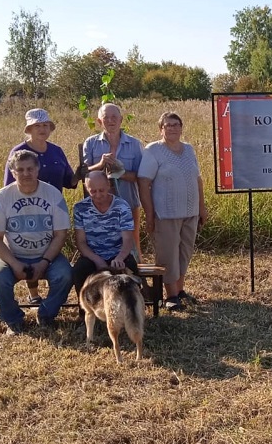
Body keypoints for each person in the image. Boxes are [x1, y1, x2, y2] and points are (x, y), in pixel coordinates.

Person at [4, 108, 86, 305]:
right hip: (26, 208)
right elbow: (8, 186)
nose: (42, 129)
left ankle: (52, 298)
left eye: (45, 125)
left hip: (53, 208)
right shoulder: (19, 152)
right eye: (37, 126)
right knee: (30, 246)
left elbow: (69, 181)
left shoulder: (56, 151)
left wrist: (79, 173)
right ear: (29, 129)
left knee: (51, 247)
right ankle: (33, 294)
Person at [0, 150, 73, 334]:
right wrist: (14, 264)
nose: (26, 174)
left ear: (38, 169)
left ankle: (46, 314)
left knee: (65, 275)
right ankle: (13, 320)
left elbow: (60, 234)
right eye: (20, 169)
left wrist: (45, 262)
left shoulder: (53, 194)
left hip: (48, 254)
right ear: (13, 172)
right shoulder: (1, 198)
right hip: (13, 255)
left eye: (30, 169)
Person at [137, 111, 208, 310]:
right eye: (167, 125)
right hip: (165, 214)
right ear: (161, 129)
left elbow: (198, 180)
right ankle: (170, 296)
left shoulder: (189, 149)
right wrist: (149, 214)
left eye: (176, 124)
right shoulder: (153, 150)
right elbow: (144, 183)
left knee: (184, 252)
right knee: (168, 255)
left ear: (181, 127)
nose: (172, 128)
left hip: (190, 212)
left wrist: (202, 207)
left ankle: (180, 289)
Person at [82, 103, 143, 258]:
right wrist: (101, 165)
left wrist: (120, 173)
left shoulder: (135, 144)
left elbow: (141, 176)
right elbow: (84, 173)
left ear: (121, 119)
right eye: (106, 117)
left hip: (129, 201)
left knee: (133, 240)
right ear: (99, 121)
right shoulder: (90, 143)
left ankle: (137, 277)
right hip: (99, 204)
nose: (110, 120)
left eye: (114, 117)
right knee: (100, 241)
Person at [72, 170, 138, 298]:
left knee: (130, 268)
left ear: (108, 185)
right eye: (93, 191)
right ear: (87, 189)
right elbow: (80, 242)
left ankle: (131, 306)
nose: (98, 195)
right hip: (92, 255)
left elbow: (128, 240)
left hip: (118, 254)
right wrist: (97, 260)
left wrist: (120, 258)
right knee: (80, 269)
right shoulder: (80, 208)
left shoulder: (122, 206)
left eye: (101, 190)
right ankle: (85, 310)